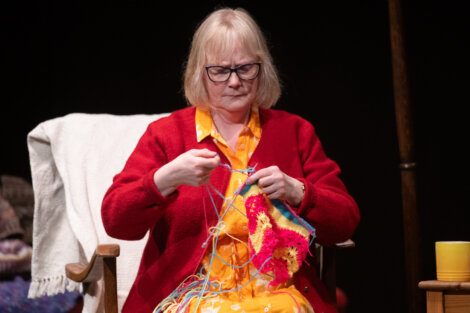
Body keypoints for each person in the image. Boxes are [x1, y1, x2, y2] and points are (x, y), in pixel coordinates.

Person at [101, 7, 360, 313]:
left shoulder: (294, 131)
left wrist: (298, 191)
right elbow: (116, 221)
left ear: (262, 69)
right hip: (191, 293)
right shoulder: (166, 135)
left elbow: (345, 222)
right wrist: (166, 178)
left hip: (277, 292)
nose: (234, 82)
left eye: (245, 68)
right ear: (200, 72)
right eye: (221, 71)